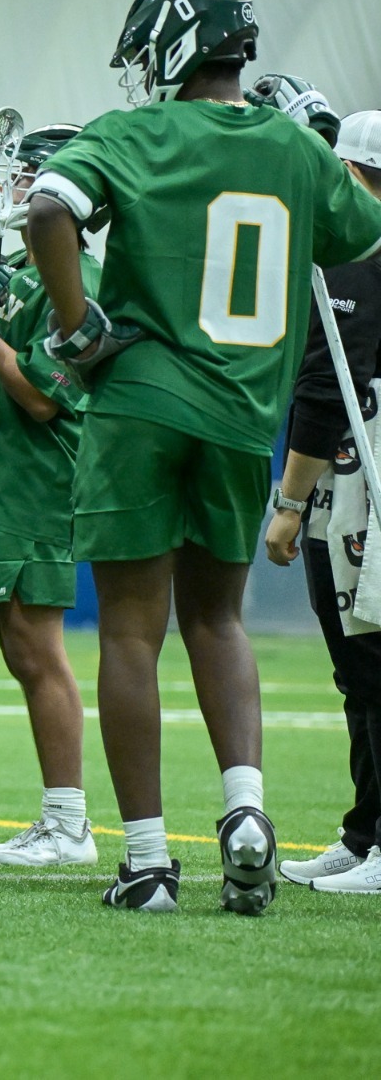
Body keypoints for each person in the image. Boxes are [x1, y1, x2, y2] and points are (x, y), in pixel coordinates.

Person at [27, 0, 381, 914]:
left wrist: (75, 326)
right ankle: (247, 811)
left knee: (131, 632)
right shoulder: (294, 150)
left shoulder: (134, 134)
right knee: (219, 621)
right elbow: (363, 227)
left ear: (173, 52)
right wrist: (317, 132)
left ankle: (147, 860)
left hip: (140, 402)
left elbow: (48, 209)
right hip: (238, 416)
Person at [0, 122, 99, 866]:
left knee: (39, 649)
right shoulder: (23, 274)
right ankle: (60, 817)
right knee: (20, 645)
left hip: (38, 482)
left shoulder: (75, 281)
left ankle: (68, 822)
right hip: (4, 478)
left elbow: (44, 396)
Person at [263, 106, 381, 895]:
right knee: (358, 664)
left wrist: (289, 502)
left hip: (358, 479)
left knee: (371, 656)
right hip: (353, 474)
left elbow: (323, 386)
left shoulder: (356, 255)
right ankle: (364, 829)